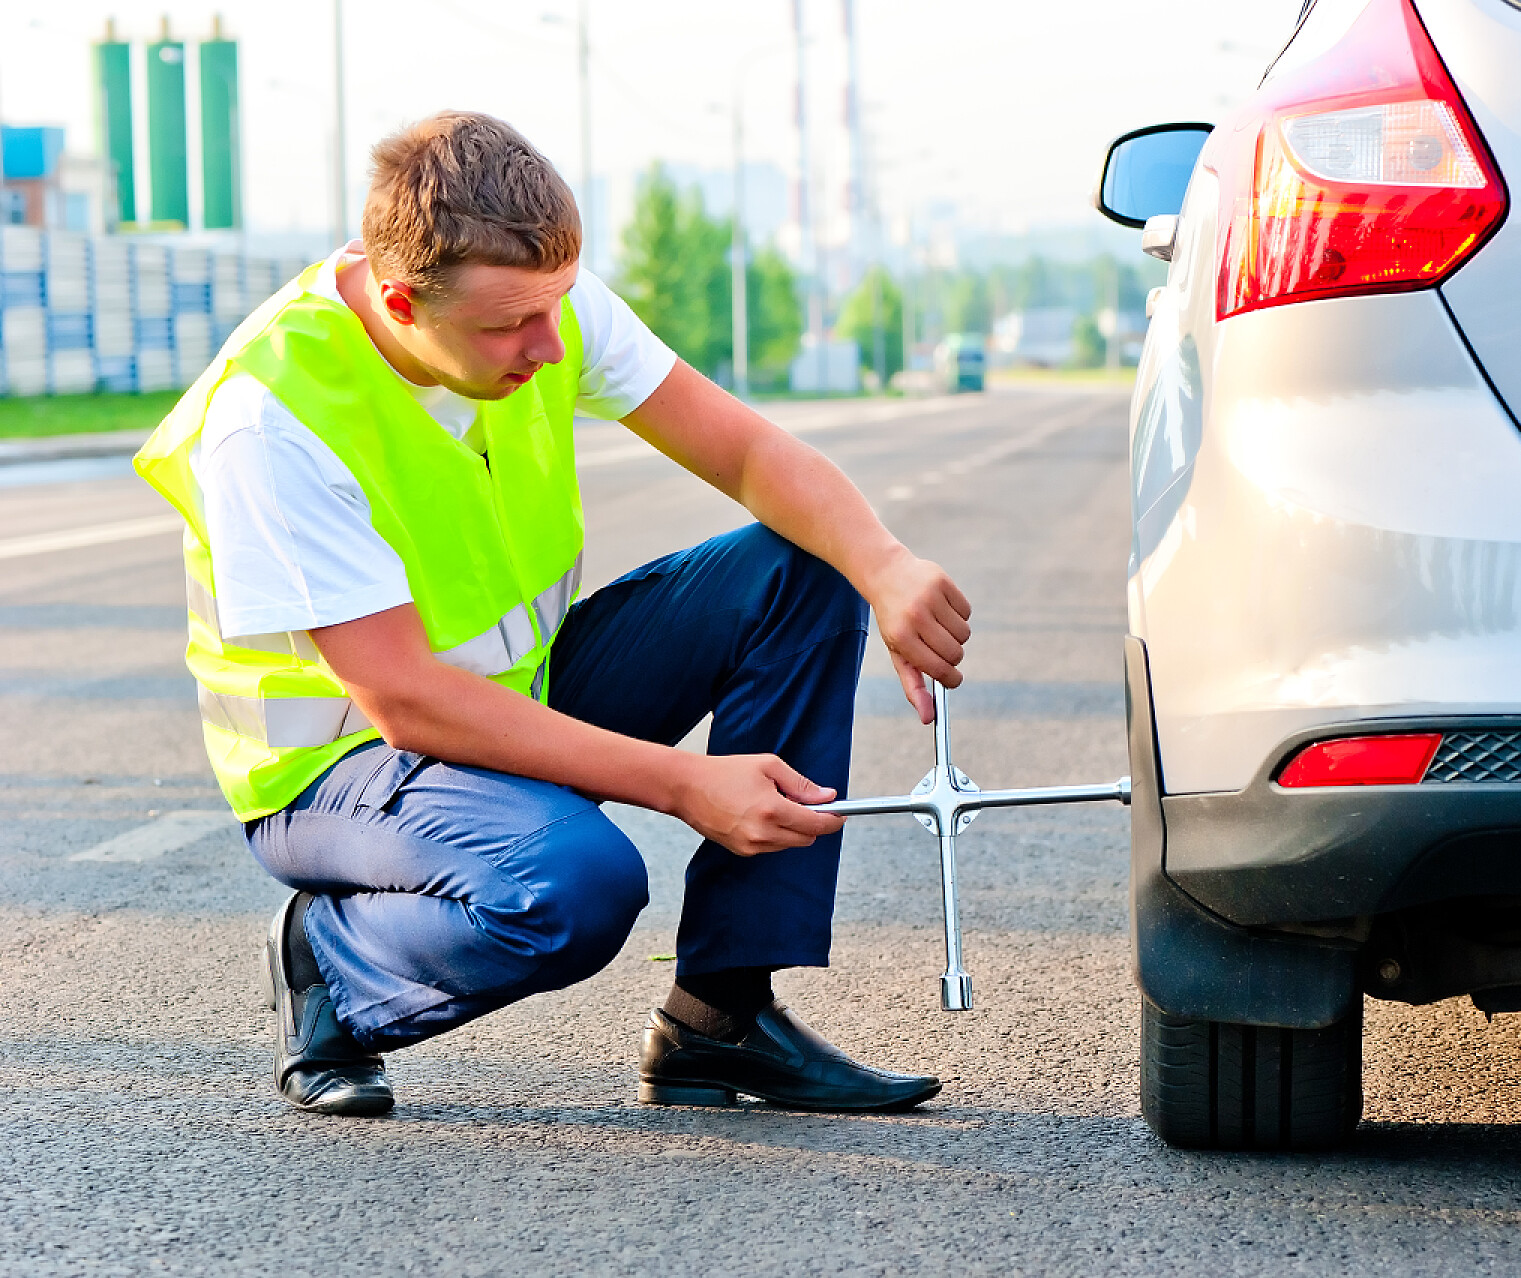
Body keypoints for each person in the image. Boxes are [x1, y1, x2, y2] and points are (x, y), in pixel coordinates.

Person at [135, 112, 971, 1117]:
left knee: (807, 566)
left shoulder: (538, 296)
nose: (549, 342)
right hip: (337, 774)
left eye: (557, 306)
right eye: (509, 328)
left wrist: (885, 566)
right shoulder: (271, 419)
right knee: (573, 889)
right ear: (400, 301)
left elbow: (748, 456)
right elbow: (405, 698)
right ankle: (332, 960)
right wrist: (682, 784)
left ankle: (721, 1020)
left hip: (504, 703)